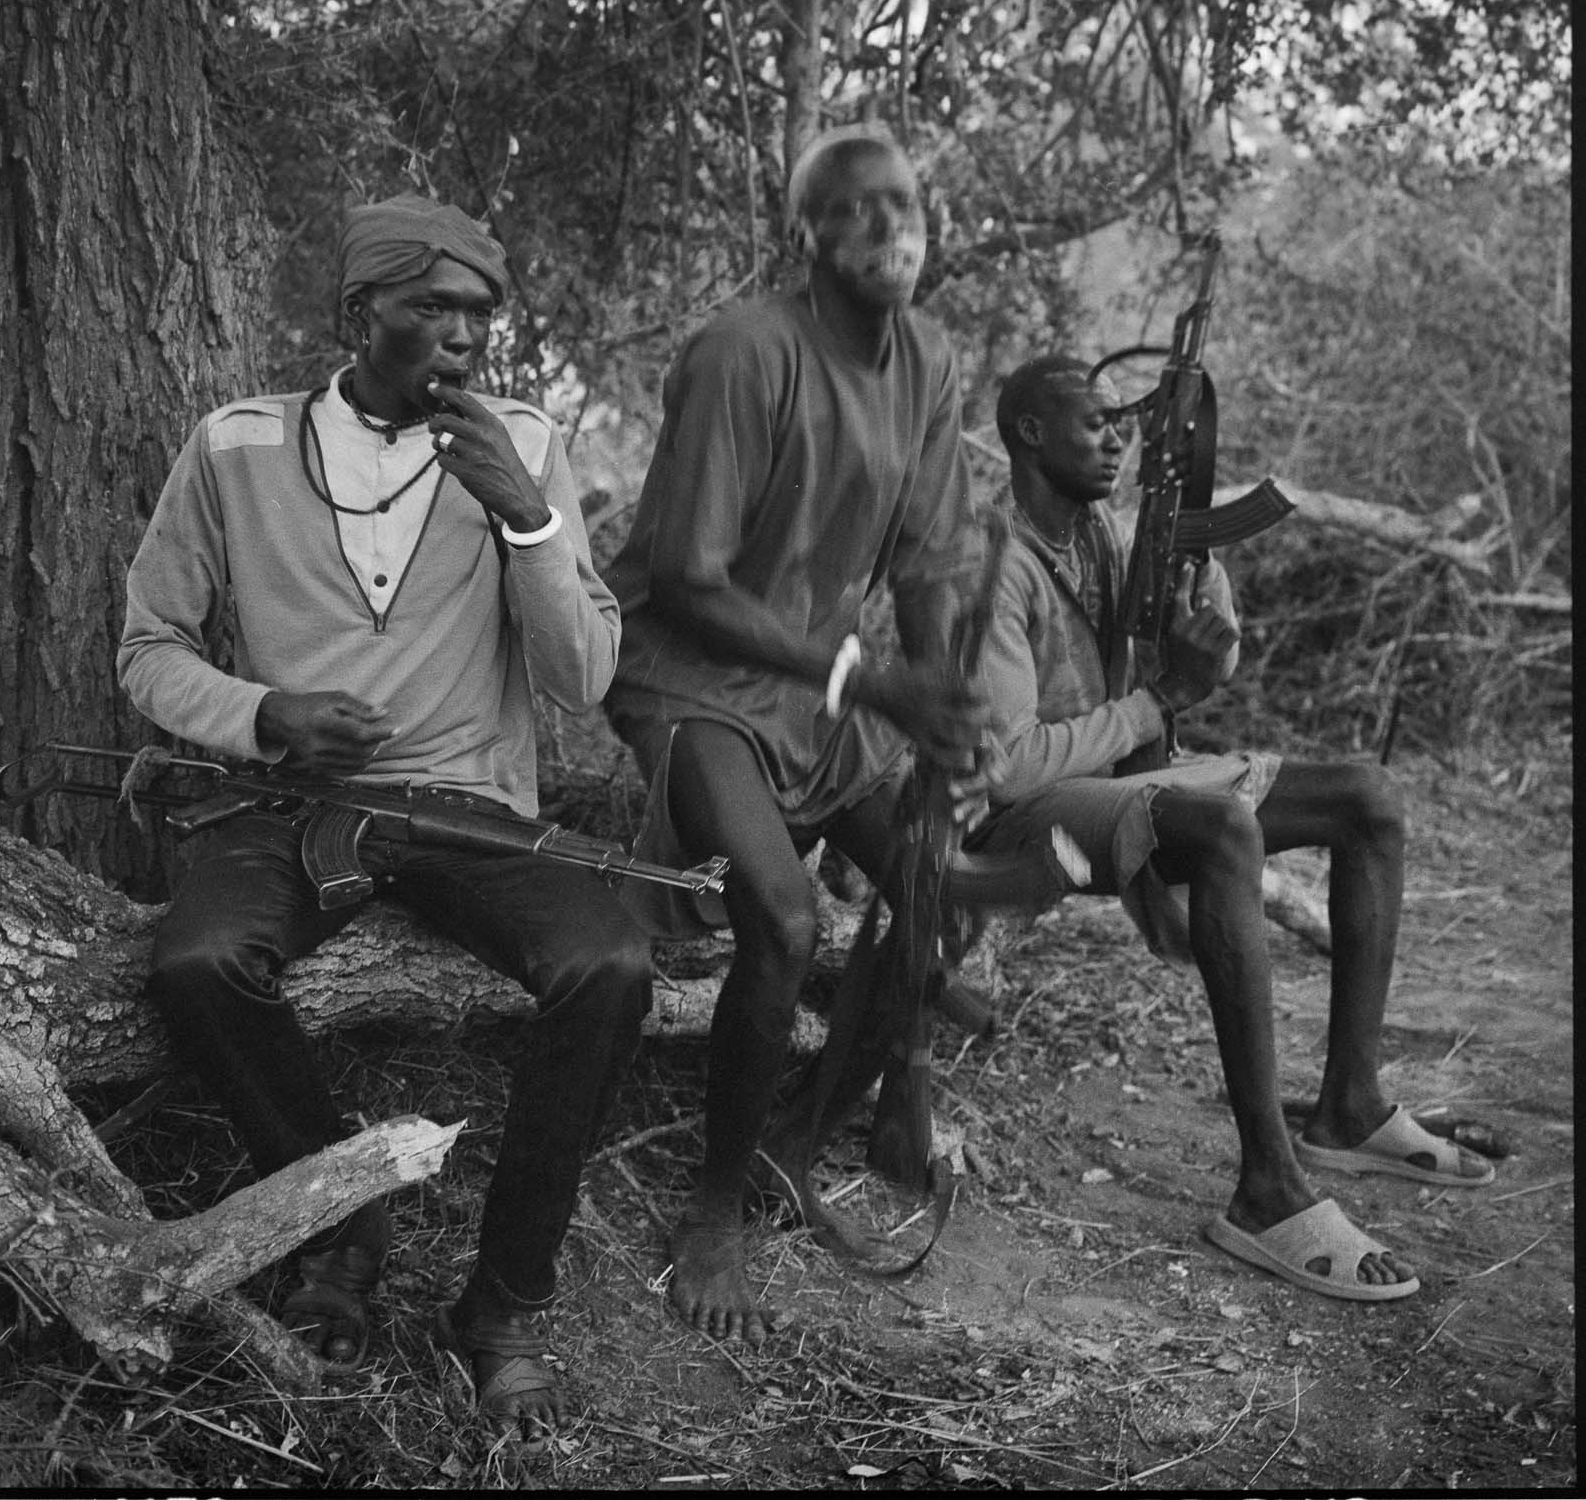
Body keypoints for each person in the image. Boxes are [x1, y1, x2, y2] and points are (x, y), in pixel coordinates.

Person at [117, 193, 653, 1436]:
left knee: (610, 959)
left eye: (479, 314)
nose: (463, 337)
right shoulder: (238, 445)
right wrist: (265, 711)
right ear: (358, 314)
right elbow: (147, 647)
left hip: (469, 806)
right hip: (289, 798)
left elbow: (582, 678)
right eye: (431, 309)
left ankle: (505, 1305)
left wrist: (526, 514)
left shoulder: (523, 443)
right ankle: (342, 1229)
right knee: (199, 961)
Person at [969, 353, 1495, 1302]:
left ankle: (1349, 1104)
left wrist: (1204, 607)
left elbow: (1196, 661)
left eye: (1123, 422)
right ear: (1028, 435)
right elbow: (1005, 768)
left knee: (1369, 796)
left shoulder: (1103, 535)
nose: (1117, 437)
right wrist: (1156, 698)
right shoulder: (995, 564)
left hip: (1126, 779)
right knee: (1222, 828)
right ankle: (1266, 1184)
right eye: (1093, 422)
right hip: (1026, 819)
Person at [602, 124, 991, 1346]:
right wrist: (872, 683)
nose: (890, 227)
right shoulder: (743, 350)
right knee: (780, 914)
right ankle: (714, 1204)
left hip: (823, 691)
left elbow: (928, 557)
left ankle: (802, 1132)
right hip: (689, 675)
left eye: (906, 204)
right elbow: (685, 574)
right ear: (808, 234)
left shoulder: (928, 358)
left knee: (943, 882)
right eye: (858, 209)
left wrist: (933, 708)